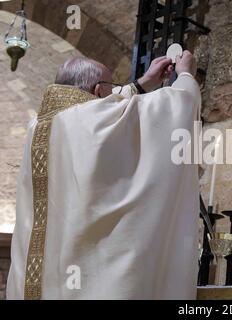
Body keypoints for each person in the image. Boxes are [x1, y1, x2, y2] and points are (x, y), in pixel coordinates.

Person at [7, 51, 201, 300]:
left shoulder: (39, 126)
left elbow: (105, 109)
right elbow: (174, 107)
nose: (117, 93)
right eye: (113, 87)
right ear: (99, 90)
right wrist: (185, 76)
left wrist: (142, 84)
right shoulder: (94, 118)